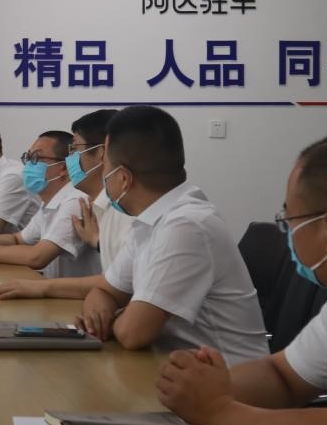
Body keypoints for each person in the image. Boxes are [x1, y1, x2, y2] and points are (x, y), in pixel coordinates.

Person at [157, 132, 327, 425]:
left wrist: (218, 411)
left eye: (289, 221)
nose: (288, 234)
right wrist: (202, 387)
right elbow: (283, 376)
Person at [77, 105, 267, 365]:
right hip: (171, 368)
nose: (103, 179)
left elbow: (133, 334)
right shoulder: (149, 221)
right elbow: (105, 290)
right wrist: (103, 312)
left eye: (105, 169)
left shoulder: (187, 226)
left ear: (123, 178)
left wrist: (113, 318)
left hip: (229, 381)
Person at [0, 110, 132, 300]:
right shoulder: (96, 204)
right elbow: (19, 239)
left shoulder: (81, 202)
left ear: (102, 153)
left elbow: (37, 257)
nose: (70, 160)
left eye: (75, 150)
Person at [0, 131, 99, 278]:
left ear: (63, 168)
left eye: (37, 158)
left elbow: (37, 257)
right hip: (53, 287)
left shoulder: (75, 202)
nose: (29, 165)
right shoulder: (49, 204)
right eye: (28, 157)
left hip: (74, 292)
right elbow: (17, 240)